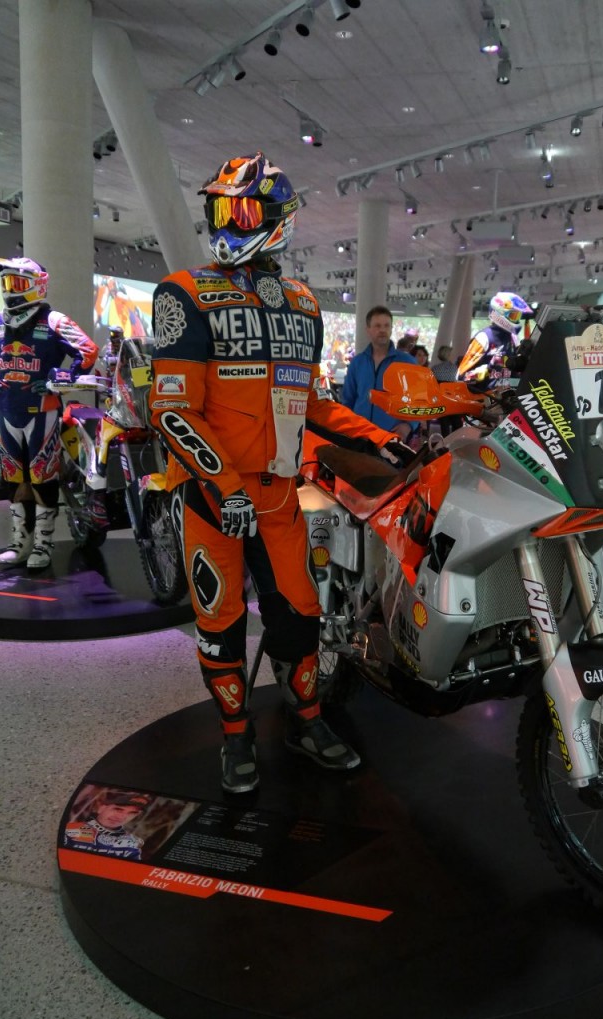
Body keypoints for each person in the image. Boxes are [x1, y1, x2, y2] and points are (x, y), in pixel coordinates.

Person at [149, 152, 411, 794]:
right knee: (221, 626)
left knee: (299, 619)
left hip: (279, 498)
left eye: (240, 210)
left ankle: (306, 720)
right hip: (211, 497)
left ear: (278, 219)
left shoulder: (303, 304)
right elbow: (171, 409)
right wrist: (223, 486)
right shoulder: (182, 293)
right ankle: (235, 736)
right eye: (219, 209)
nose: (227, 222)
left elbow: (315, 403)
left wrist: (384, 441)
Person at [0, 257, 99, 569]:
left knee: (42, 478)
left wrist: (64, 377)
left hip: (43, 412)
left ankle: (43, 544)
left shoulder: (54, 320)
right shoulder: (0, 322)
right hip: (6, 411)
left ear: (37, 285)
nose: (10, 290)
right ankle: (20, 543)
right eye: (6, 283)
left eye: (17, 283)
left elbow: (88, 350)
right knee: (13, 479)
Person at [340, 305, 416, 440]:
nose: (382, 330)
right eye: (377, 326)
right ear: (368, 330)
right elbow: (348, 399)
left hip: (391, 436)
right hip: (359, 436)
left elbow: (419, 400)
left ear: (391, 329)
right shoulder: (357, 363)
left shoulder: (407, 362)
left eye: (386, 326)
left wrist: (409, 425)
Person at [457, 291, 532, 389]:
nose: (517, 320)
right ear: (499, 314)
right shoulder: (484, 338)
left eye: (518, 316)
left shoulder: (512, 338)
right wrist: (489, 367)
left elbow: (512, 373)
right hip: (484, 396)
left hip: (506, 392)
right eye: (514, 316)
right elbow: (462, 377)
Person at [63, 789, 151, 860]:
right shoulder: (71, 830)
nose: (122, 817)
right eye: (118, 809)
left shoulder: (130, 844)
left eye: (132, 813)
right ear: (100, 808)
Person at [430, 344, 463, 436]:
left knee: (444, 423)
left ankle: (445, 439)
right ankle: (455, 439)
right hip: (452, 401)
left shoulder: (434, 369)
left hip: (440, 401)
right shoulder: (455, 369)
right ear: (448, 355)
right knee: (457, 423)